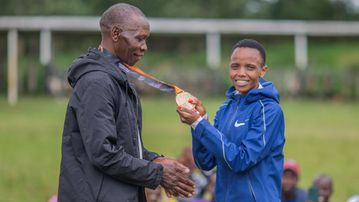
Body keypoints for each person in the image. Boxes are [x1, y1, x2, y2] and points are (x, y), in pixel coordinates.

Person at [57, 3, 195, 202]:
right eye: (139, 38)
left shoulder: (116, 79)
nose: (144, 47)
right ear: (115, 33)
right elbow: (103, 153)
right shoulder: (97, 82)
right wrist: (157, 172)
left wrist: (155, 160)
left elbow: (125, 146)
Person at [177, 39, 285, 201]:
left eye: (250, 67)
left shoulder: (269, 110)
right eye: (235, 66)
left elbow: (241, 160)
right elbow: (205, 162)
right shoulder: (225, 109)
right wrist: (198, 121)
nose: (241, 73)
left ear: (263, 71)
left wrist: (200, 125)